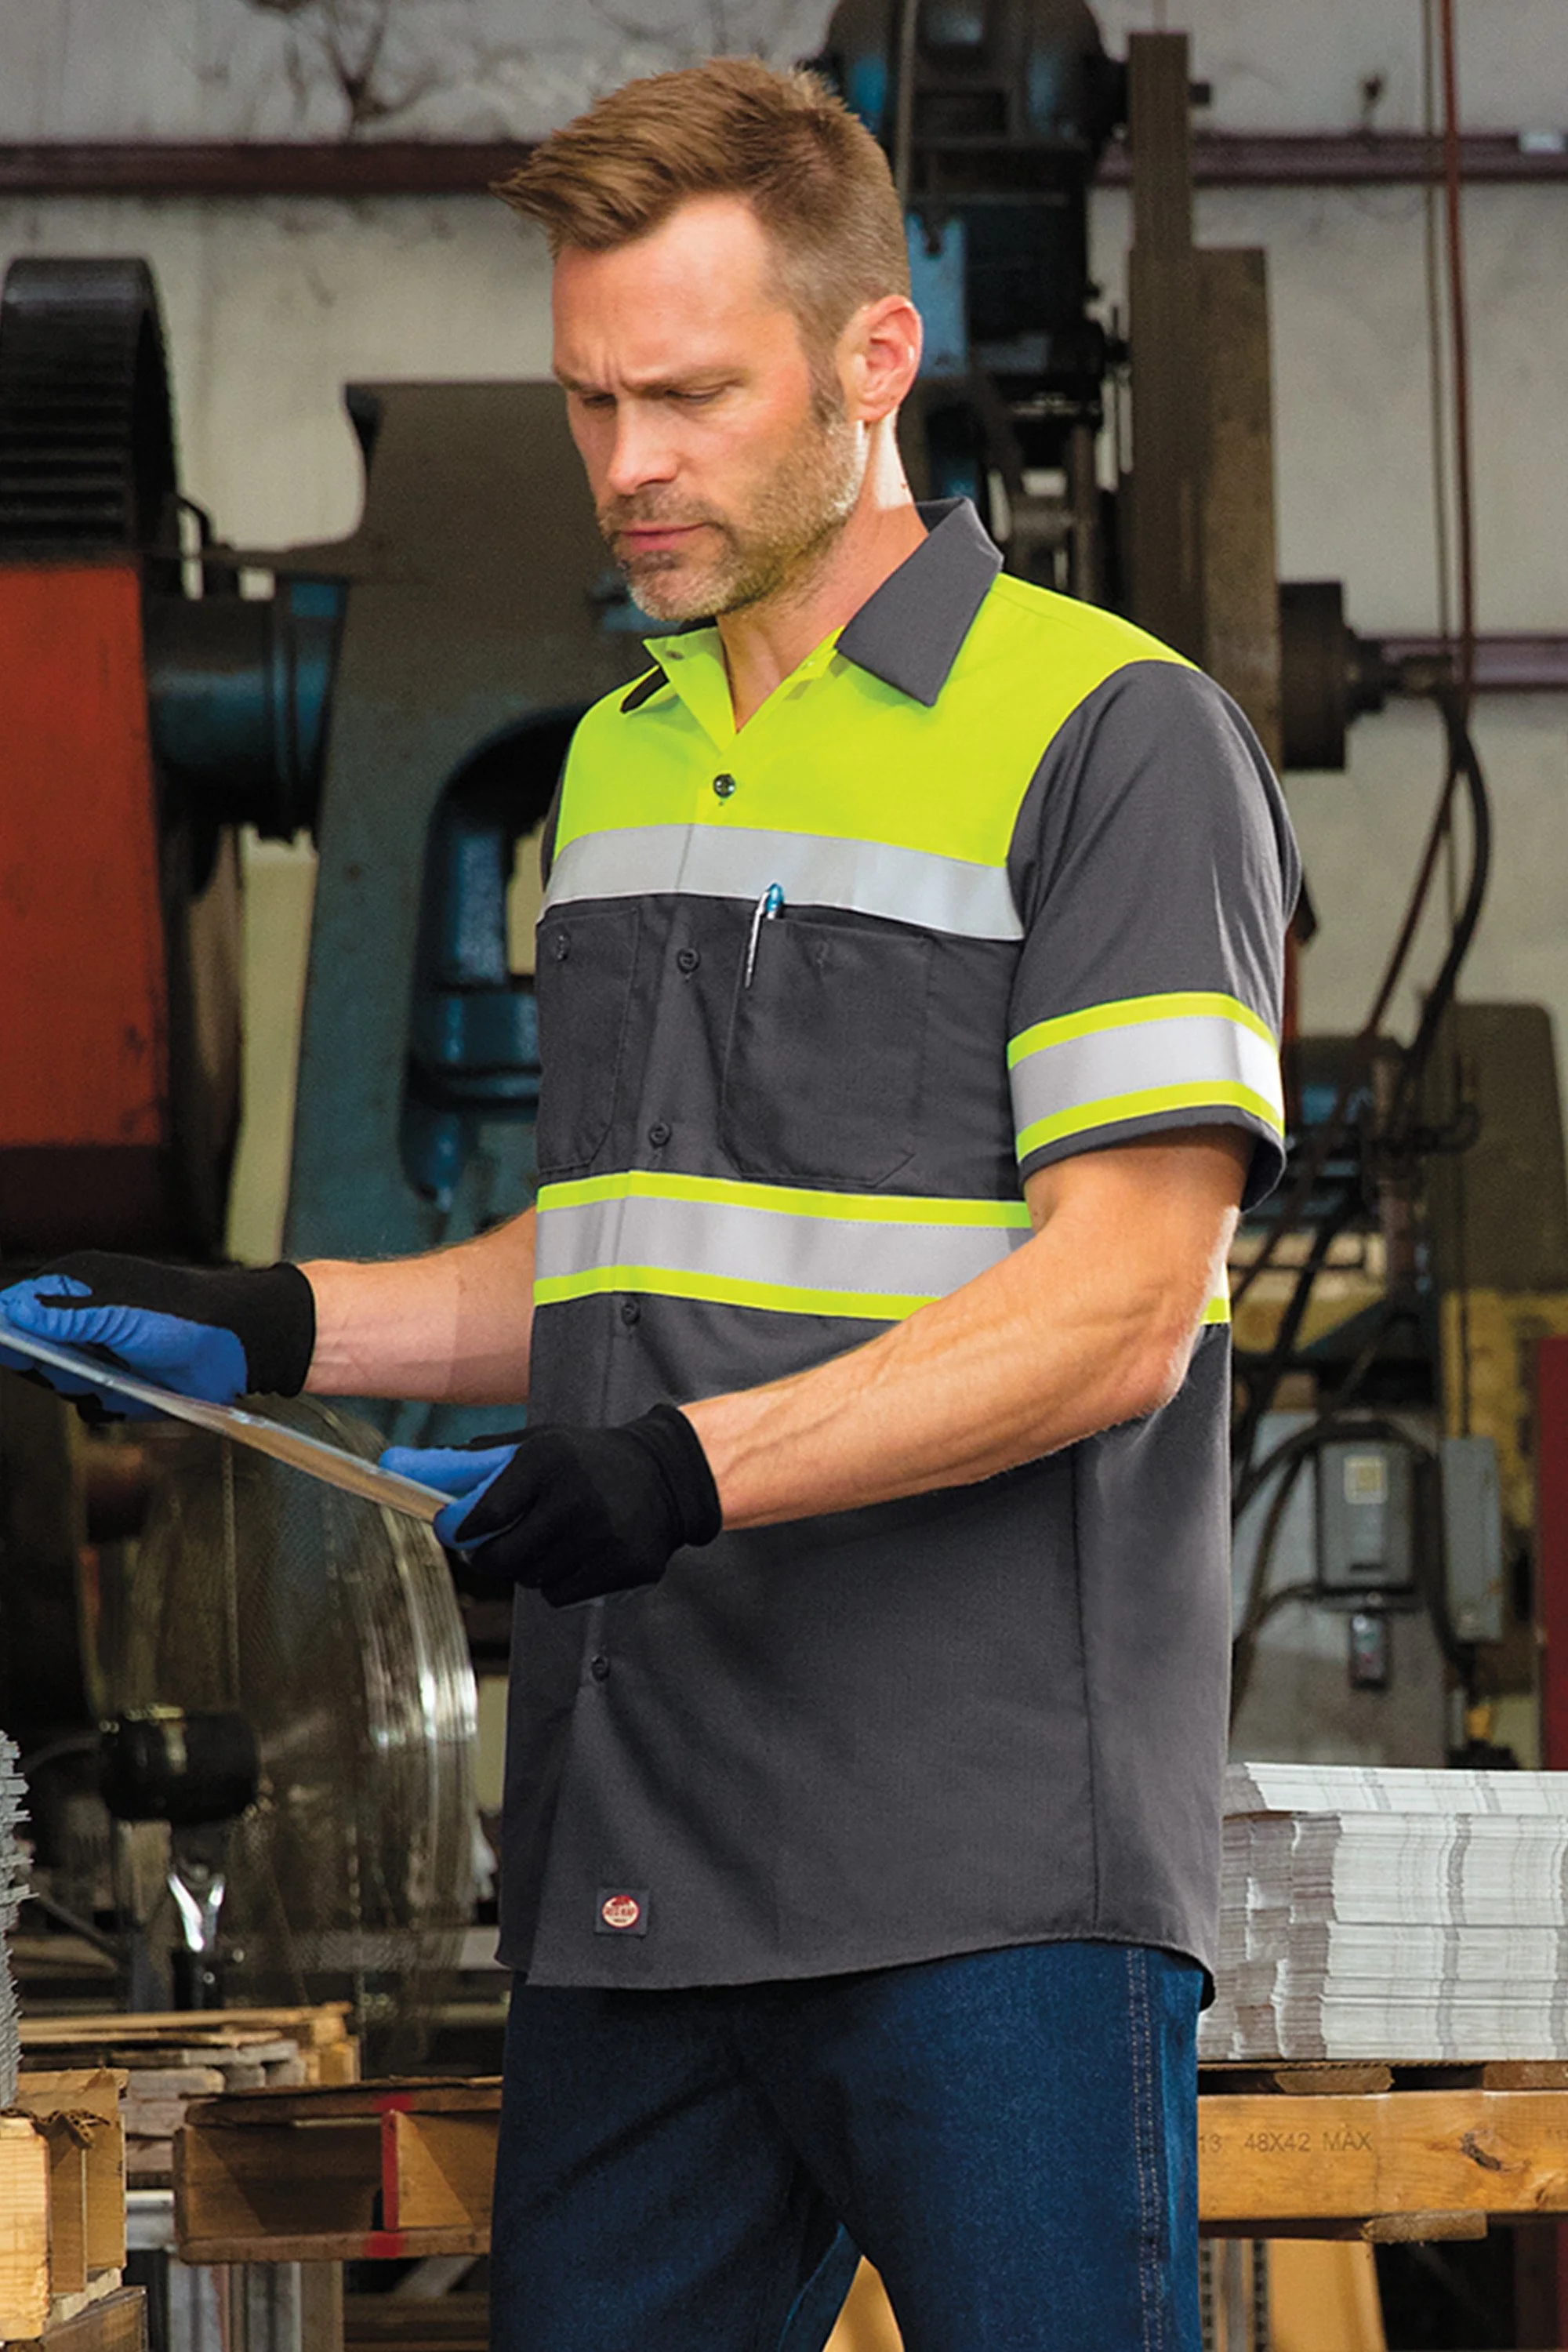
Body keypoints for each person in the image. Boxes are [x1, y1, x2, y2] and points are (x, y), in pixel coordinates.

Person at [0, 56, 1298, 2351]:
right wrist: (275, 1323)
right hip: (642, 1871)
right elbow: (613, 1268)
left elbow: (1119, 1303)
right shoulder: (621, 756)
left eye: (689, 396)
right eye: (593, 399)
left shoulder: (1111, 739)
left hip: (985, 1882)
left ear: (872, 360)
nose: (626, 467)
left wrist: (676, 1470)